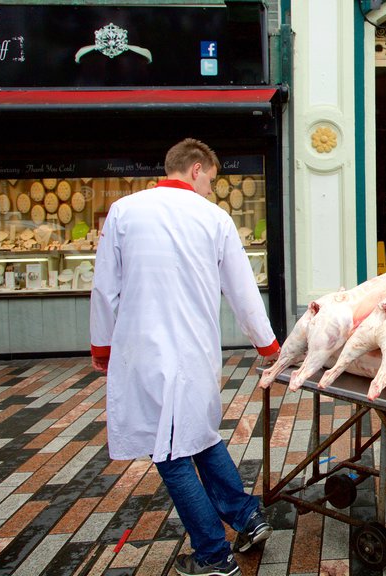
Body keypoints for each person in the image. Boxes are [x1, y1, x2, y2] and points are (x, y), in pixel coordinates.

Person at [90, 138, 279, 576]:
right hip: (195, 352)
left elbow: (105, 288)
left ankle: (214, 554)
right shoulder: (215, 219)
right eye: (211, 179)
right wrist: (267, 346)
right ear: (195, 169)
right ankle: (246, 516)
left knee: (173, 452)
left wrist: (103, 346)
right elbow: (242, 291)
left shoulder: (124, 211)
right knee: (194, 434)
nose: (211, 188)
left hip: (145, 352)